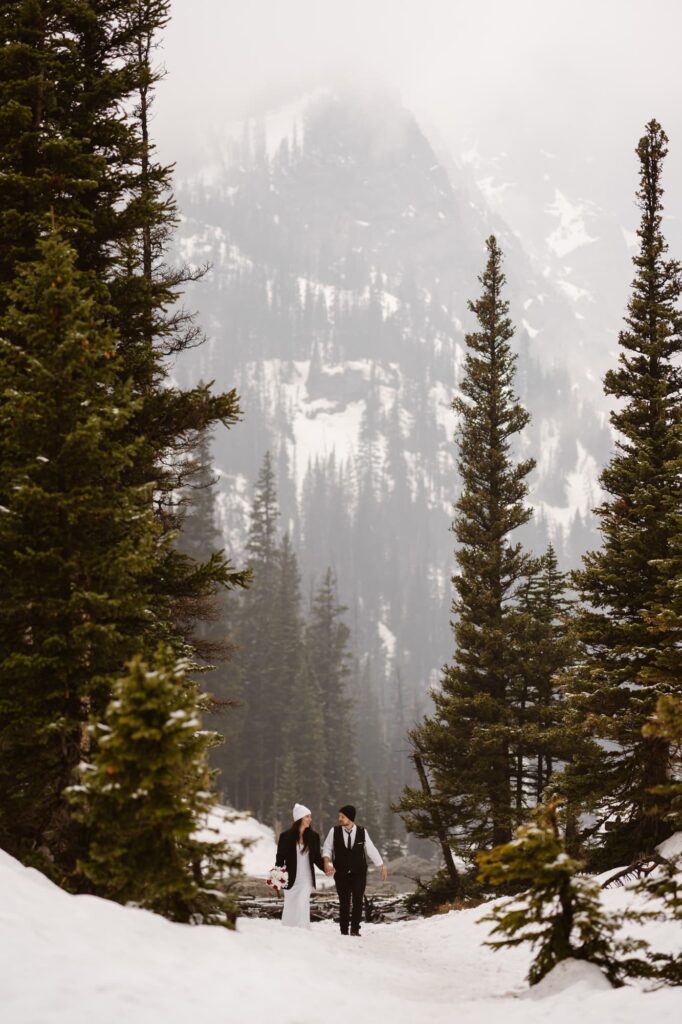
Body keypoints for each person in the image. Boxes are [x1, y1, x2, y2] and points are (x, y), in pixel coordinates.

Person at [322, 804, 388, 936]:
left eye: (343, 816)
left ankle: (355, 930)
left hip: (359, 873)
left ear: (350, 818)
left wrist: (381, 865)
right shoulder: (334, 831)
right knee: (344, 902)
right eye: (339, 816)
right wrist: (326, 863)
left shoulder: (362, 832)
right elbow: (327, 848)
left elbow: (371, 849)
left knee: (358, 900)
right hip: (341, 873)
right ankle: (344, 930)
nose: (340, 819)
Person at [275, 802, 328, 929]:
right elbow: (280, 857)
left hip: (307, 879)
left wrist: (326, 868)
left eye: (310, 816)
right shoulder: (286, 836)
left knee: (302, 903)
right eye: (307, 816)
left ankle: (303, 930)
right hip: (291, 878)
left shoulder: (314, 836)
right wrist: (277, 874)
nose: (310, 819)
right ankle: (289, 929)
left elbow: (316, 857)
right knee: (290, 905)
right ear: (299, 818)